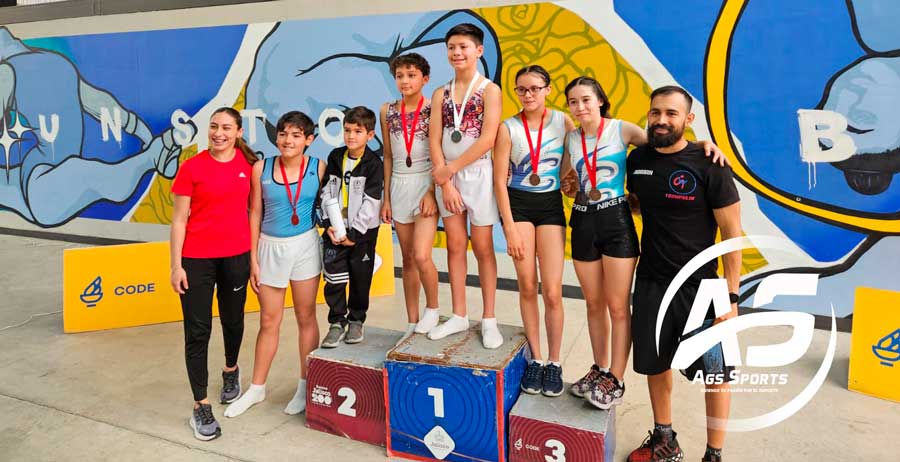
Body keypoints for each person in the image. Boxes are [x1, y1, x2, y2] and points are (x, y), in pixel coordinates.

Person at [560, 77, 728, 411]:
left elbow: (665, 145)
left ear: (601, 101)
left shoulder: (623, 130)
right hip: (582, 219)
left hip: (616, 223)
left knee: (618, 306)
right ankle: (599, 369)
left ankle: (615, 378)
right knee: (593, 304)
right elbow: (571, 176)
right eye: (573, 102)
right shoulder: (571, 137)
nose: (580, 107)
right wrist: (570, 183)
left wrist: (705, 146)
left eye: (586, 100)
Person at [625, 86, 742, 462]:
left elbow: (732, 234)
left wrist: (732, 295)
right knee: (655, 365)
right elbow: (642, 205)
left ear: (688, 120)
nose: (661, 120)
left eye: (671, 113)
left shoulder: (710, 164)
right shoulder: (638, 159)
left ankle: (714, 454)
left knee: (716, 374)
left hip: (704, 287)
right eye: (656, 112)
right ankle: (665, 441)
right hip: (652, 281)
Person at [223, 111, 326, 418]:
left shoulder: (318, 167)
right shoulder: (261, 168)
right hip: (269, 247)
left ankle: (306, 386)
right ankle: (257, 388)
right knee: (269, 321)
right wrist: (253, 258)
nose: (288, 141)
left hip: (306, 246)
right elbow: (254, 213)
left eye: (296, 135)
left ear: (308, 140)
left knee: (306, 317)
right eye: (283, 134)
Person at [169, 107, 256, 441]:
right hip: (196, 260)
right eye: (214, 127)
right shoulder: (192, 167)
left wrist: (255, 258)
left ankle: (231, 370)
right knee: (198, 330)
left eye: (226, 128)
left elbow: (254, 213)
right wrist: (176, 266)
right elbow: (178, 220)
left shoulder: (248, 167)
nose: (219, 133)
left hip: (236, 257)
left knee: (233, 321)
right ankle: (200, 404)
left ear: (238, 132)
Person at [493, 65, 573, 396]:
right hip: (519, 206)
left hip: (550, 205)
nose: (528, 95)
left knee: (552, 291)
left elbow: (572, 159)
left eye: (535, 89)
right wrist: (509, 227)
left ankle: (554, 362)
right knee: (528, 285)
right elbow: (499, 180)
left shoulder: (562, 122)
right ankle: (537, 360)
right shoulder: (507, 128)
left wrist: (568, 179)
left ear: (548, 89)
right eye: (521, 89)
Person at [428, 23, 504, 349]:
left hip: (478, 175)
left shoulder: (489, 90)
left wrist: (449, 170)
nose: (457, 53)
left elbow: (488, 138)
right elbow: (434, 138)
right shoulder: (440, 93)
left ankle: (489, 318)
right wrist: (445, 181)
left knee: (483, 248)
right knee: (456, 246)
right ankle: (458, 314)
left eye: (463, 47)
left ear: (478, 51)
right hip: (448, 179)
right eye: (452, 48)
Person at [379, 53, 442, 343]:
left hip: (426, 182)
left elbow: (439, 152)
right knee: (407, 259)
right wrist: (387, 197)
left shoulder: (434, 108)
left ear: (424, 79)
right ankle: (412, 319)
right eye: (400, 76)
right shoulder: (387, 111)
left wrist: (431, 190)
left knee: (421, 254)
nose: (405, 81)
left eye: (411, 75)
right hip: (399, 186)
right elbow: (389, 156)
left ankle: (433, 309)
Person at [320, 106, 384, 347]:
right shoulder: (336, 157)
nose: (351, 136)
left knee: (360, 276)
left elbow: (372, 203)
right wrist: (328, 224)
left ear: (369, 135)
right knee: (334, 279)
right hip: (336, 229)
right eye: (347, 130)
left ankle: (356, 319)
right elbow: (327, 191)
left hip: (362, 234)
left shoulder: (373, 164)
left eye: (358, 131)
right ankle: (337, 321)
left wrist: (354, 234)